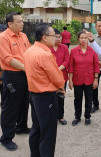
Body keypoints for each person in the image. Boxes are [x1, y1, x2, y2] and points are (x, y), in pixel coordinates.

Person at [24, 23, 65, 157]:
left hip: (34, 95)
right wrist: (61, 85)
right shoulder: (45, 55)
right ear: (44, 38)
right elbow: (57, 79)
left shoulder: (29, 50)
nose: (56, 39)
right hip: (46, 97)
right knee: (48, 133)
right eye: (54, 36)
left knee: (36, 128)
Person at [0, 12, 31, 151]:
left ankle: (22, 127)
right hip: (12, 76)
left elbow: (30, 52)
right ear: (10, 24)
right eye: (19, 21)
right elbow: (8, 59)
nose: (22, 23)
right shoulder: (3, 38)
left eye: (22, 21)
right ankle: (6, 138)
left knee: (24, 103)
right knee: (10, 108)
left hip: (25, 75)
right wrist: (27, 68)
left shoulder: (23, 36)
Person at [69, 31, 100, 126]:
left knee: (89, 99)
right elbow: (71, 66)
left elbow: (96, 65)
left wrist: (96, 79)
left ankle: (87, 116)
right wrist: (70, 81)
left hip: (89, 79)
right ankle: (77, 117)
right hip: (77, 79)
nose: (83, 40)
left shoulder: (92, 51)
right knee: (77, 99)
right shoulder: (74, 51)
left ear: (88, 39)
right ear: (78, 39)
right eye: (81, 38)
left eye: (85, 38)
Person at [50, 29, 69, 125]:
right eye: (56, 37)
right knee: (51, 98)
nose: (58, 39)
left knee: (61, 97)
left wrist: (58, 69)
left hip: (62, 76)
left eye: (59, 37)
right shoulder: (48, 48)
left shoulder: (65, 47)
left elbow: (66, 60)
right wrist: (54, 70)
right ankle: (52, 117)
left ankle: (60, 116)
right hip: (50, 78)